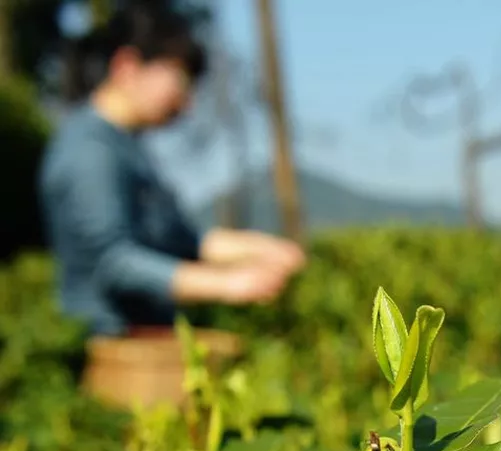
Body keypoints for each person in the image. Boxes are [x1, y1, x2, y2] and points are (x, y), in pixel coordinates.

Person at [39, 0, 304, 337]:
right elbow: (111, 262)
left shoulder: (128, 147)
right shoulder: (90, 149)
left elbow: (183, 242)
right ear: (128, 66)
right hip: (113, 345)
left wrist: (258, 249)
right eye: (180, 82)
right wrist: (229, 283)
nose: (186, 103)